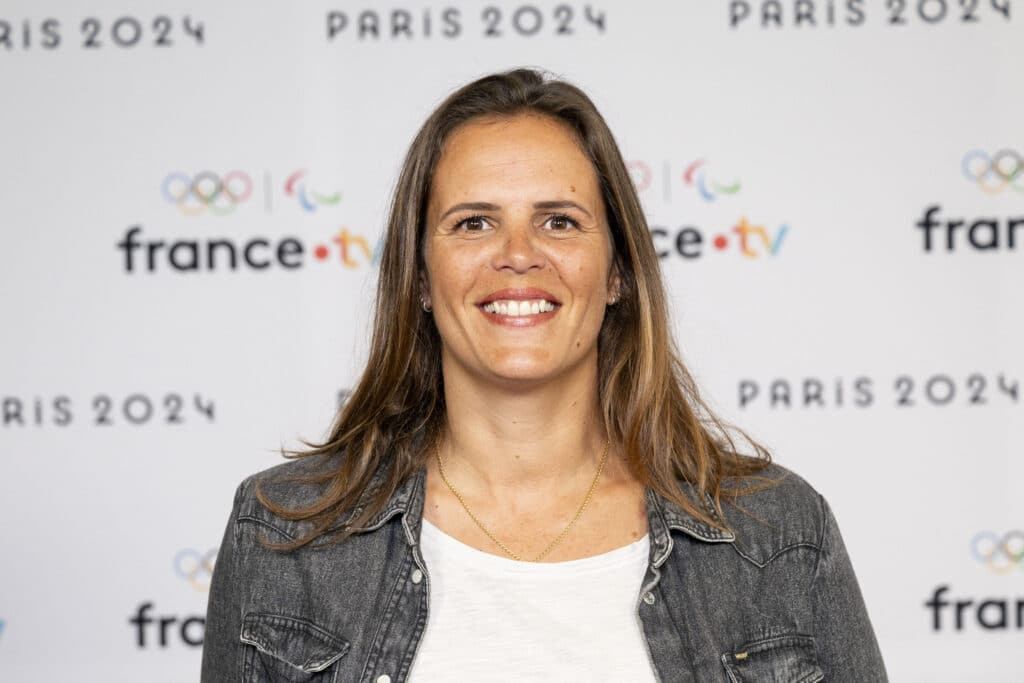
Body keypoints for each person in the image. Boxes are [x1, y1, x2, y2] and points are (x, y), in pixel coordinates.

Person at [201, 68, 887, 682]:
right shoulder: (281, 537)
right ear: (421, 278)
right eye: (474, 223)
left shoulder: (777, 534)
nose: (518, 255)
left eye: (559, 221)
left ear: (616, 272)